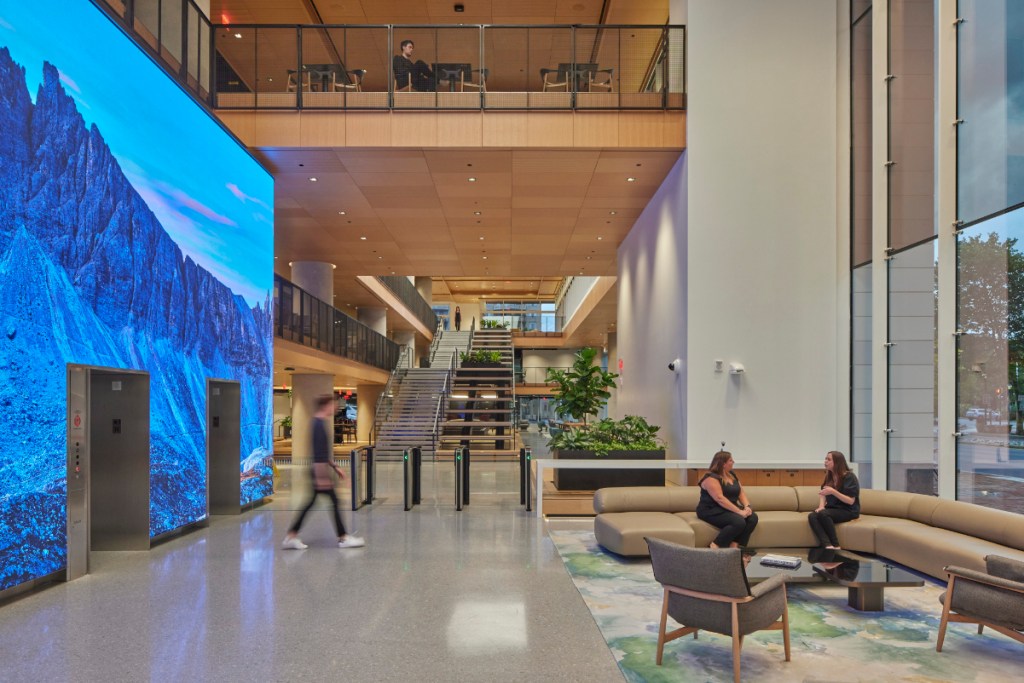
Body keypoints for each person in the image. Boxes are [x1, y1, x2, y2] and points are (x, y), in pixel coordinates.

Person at [282, 395, 365, 550]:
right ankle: (343, 537)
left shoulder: (319, 423)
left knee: (313, 503)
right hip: (318, 471)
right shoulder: (318, 425)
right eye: (333, 405)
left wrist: (335, 466)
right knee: (333, 502)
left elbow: (323, 453)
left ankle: (291, 536)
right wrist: (322, 478)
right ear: (325, 406)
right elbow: (318, 455)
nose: (335, 408)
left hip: (318, 470)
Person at [696, 450, 758, 549]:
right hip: (711, 510)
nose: (733, 462)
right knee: (739, 521)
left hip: (727, 508)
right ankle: (714, 545)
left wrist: (747, 506)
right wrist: (739, 512)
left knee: (752, 518)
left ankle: (736, 546)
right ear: (723, 464)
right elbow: (720, 499)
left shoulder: (732, 474)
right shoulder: (711, 478)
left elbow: (740, 492)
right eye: (730, 460)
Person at [807, 450, 860, 550]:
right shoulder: (829, 476)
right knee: (812, 515)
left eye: (829, 459)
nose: (825, 461)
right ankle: (827, 545)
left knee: (824, 514)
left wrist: (833, 492)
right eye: (825, 459)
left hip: (848, 510)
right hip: (833, 508)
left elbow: (851, 501)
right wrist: (821, 506)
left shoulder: (849, 477)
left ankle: (836, 545)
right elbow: (823, 493)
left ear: (837, 462)